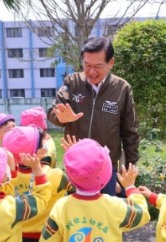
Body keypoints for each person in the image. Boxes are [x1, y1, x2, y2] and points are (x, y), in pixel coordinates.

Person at [47, 36, 140, 196]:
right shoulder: (72, 82)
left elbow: (130, 132)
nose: (91, 71)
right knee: (75, 216)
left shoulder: (121, 89)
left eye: (98, 66)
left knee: (106, 216)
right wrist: (61, 119)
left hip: (107, 169)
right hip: (76, 167)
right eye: (87, 65)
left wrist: (127, 171)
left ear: (111, 63)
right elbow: (52, 112)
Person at [39, 138, 150, 242]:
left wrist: (77, 159)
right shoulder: (116, 206)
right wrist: (130, 187)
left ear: (70, 176)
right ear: (107, 174)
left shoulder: (62, 206)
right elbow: (142, 213)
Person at [1, 126, 69, 242]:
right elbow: (78, 187)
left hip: (16, 240)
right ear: (39, 152)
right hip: (48, 239)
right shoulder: (56, 176)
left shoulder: (6, 180)